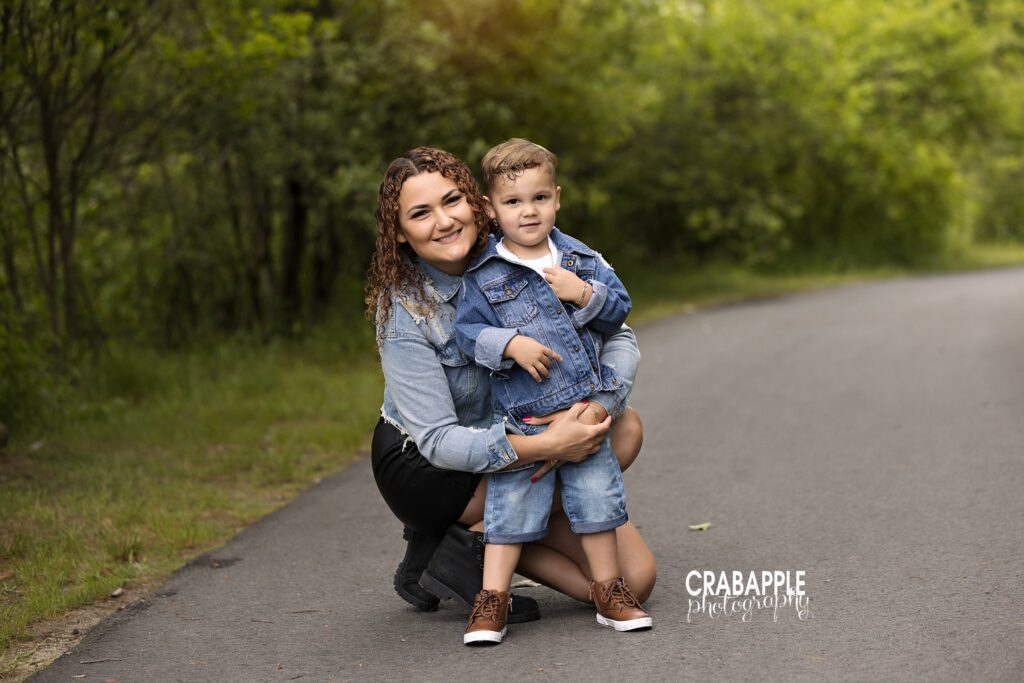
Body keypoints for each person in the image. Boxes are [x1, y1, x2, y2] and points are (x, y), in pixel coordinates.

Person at [366, 146, 656, 632]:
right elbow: (438, 440)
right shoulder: (405, 311)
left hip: (521, 432)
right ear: (399, 232)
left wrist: (590, 408)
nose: (443, 221)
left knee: (637, 565)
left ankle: (460, 546)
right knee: (595, 453)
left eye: (451, 200)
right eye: (420, 213)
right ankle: (452, 533)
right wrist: (544, 446)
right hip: (434, 467)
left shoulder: (520, 249)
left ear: (476, 202)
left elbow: (620, 335)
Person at [454, 139, 651, 645]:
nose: (528, 211)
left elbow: (620, 309)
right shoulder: (485, 273)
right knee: (509, 507)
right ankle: (491, 601)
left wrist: (583, 293)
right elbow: (467, 333)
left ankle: (609, 592)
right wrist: (510, 342)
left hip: (583, 414)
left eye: (539, 198)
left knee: (598, 500)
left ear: (557, 198)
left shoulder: (581, 260)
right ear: (492, 209)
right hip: (524, 419)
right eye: (513, 202)